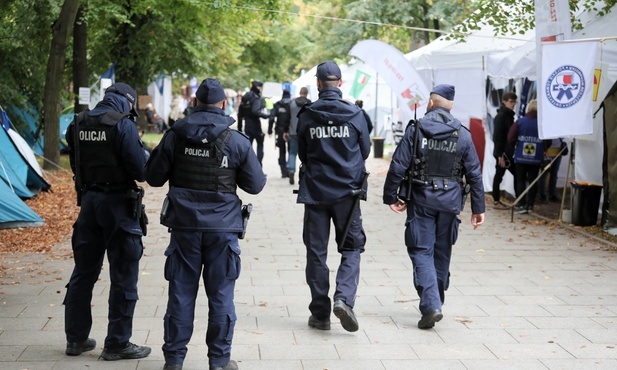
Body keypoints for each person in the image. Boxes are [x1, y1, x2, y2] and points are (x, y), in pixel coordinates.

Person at [145, 78, 267, 370]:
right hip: (222, 232)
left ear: (195, 102)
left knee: (181, 294)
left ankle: (174, 361)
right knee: (221, 296)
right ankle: (219, 362)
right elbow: (256, 185)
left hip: (184, 229)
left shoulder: (175, 135)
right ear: (224, 104)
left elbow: (153, 177)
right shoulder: (235, 140)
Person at [383, 84, 485, 330]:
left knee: (421, 251)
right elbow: (474, 173)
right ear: (451, 107)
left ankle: (431, 305)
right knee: (441, 253)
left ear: (430, 103)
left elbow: (398, 166)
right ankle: (436, 300)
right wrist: (478, 208)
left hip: (421, 200)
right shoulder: (463, 134)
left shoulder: (416, 130)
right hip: (450, 203)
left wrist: (390, 196)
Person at [64, 82, 151, 360]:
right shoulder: (123, 126)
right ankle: (117, 343)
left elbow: (75, 165)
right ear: (127, 102)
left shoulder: (77, 123)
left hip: (89, 204)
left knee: (83, 273)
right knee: (124, 275)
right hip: (119, 206)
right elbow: (140, 170)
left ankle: (75, 340)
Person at [296, 61, 370, 332]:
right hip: (347, 195)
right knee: (352, 248)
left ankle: (320, 314)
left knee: (316, 252)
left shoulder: (307, 115)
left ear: (317, 84)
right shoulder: (355, 114)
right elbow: (364, 151)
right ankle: (344, 299)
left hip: (315, 192)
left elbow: (302, 153)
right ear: (340, 83)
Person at [507, 99, 544, 214]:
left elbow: (510, 137)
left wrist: (515, 147)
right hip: (536, 158)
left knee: (520, 180)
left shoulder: (520, 122)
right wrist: (543, 149)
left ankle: (521, 204)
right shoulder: (542, 124)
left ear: (528, 109)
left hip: (521, 157)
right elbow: (548, 141)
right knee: (533, 181)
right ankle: (530, 205)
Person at [492, 92, 518, 210]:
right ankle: (496, 200)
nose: (513, 104)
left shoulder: (509, 116)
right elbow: (498, 137)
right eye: (511, 101)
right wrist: (499, 154)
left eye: (514, 102)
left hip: (508, 151)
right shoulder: (502, 117)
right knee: (499, 175)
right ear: (504, 102)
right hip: (503, 152)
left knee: (513, 174)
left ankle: (517, 199)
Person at [237, 80, 269, 166]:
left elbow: (240, 113)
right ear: (257, 87)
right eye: (260, 87)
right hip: (255, 124)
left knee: (248, 148)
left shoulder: (246, 96)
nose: (261, 89)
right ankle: (258, 167)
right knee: (260, 146)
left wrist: (239, 127)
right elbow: (255, 111)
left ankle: (248, 167)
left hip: (247, 124)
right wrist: (266, 116)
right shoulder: (256, 97)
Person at [284, 87, 311, 185]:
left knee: (292, 153)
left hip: (293, 131)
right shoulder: (310, 104)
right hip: (307, 132)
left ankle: (291, 170)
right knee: (308, 154)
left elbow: (287, 118)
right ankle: (306, 172)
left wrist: (285, 131)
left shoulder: (292, 103)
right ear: (307, 93)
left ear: (300, 93)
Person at [269, 88, 293, 178]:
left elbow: (271, 118)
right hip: (291, 130)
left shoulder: (277, 105)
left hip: (280, 130)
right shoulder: (292, 104)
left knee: (281, 151)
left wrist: (269, 130)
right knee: (291, 151)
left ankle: (283, 171)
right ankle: (289, 167)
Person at [539, 138, 566, 203]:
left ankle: (550, 195)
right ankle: (543, 195)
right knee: (546, 174)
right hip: (548, 151)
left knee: (552, 174)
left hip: (557, 151)